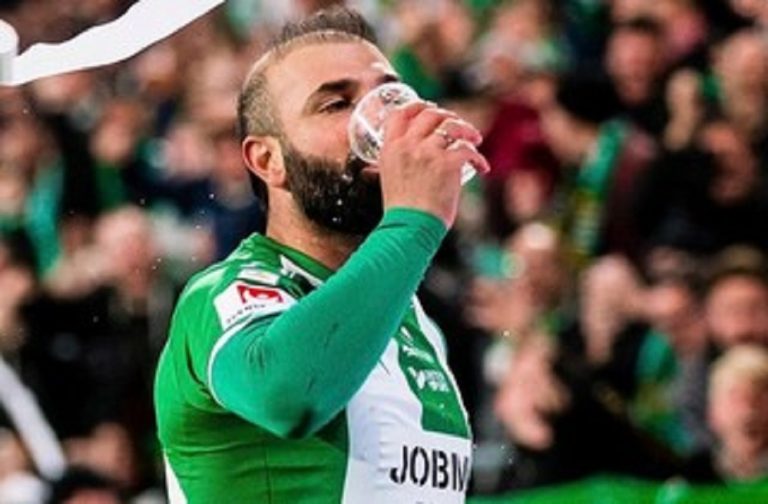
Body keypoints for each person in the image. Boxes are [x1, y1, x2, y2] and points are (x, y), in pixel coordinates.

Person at [153, 6, 489, 504]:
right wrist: (415, 220)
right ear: (268, 160)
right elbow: (287, 394)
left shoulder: (415, 323)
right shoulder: (221, 294)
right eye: (335, 104)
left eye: (385, 94)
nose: (380, 119)